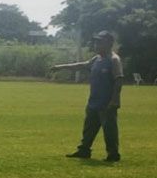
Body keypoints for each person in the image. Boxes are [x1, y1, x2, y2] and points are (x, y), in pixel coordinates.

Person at [51, 30, 123, 162]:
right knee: (88, 128)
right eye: (96, 42)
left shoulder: (114, 60)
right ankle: (84, 150)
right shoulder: (97, 59)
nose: (96, 45)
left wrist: (115, 100)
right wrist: (61, 67)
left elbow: (118, 80)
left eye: (99, 42)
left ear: (108, 43)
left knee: (109, 130)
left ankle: (113, 154)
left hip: (107, 103)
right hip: (94, 101)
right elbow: (81, 65)